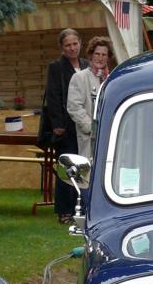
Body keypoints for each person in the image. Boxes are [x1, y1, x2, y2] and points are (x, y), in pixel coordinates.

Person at [43, 28, 83, 224]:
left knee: (82, 166)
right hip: (66, 127)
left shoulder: (86, 65)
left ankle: (80, 207)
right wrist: (58, 124)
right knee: (67, 167)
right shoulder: (56, 67)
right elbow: (53, 95)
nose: (72, 48)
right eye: (68, 45)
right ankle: (65, 210)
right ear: (62, 47)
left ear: (80, 44)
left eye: (75, 44)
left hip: (83, 126)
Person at [67, 36, 112, 166]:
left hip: (109, 137)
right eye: (97, 54)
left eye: (104, 54)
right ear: (91, 55)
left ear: (108, 57)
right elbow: (74, 107)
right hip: (89, 139)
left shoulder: (111, 80)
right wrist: (92, 129)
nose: (100, 58)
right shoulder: (79, 77)